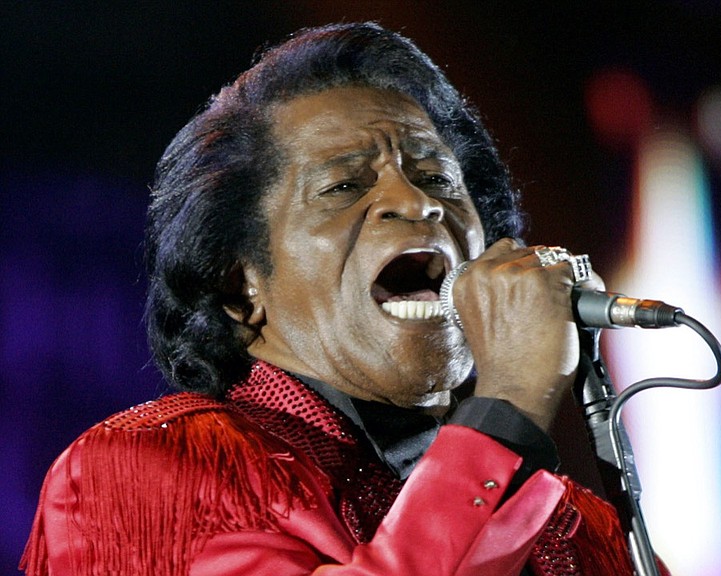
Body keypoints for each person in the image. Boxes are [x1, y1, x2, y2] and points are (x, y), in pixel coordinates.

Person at [21, 22, 667, 575]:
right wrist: (508, 409)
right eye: (341, 187)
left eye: (438, 177)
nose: (416, 202)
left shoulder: (583, 532)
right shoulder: (136, 474)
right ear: (239, 287)